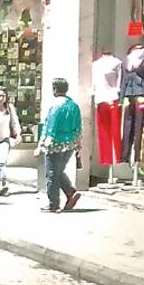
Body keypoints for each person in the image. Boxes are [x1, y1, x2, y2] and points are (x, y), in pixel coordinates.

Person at [37, 78, 83, 212]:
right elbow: (78, 126)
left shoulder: (55, 106)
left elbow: (50, 126)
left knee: (51, 173)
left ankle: (54, 203)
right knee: (58, 171)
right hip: (69, 143)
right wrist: (78, 143)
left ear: (55, 89)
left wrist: (42, 144)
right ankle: (70, 192)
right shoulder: (73, 105)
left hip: (55, 143)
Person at [0, 88, 21, 196]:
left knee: (2, 162)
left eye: (3, 96)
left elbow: (15, 121)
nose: (1, 98)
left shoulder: (9, 108)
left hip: (4, 139)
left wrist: (18, 134)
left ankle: (3, 185)